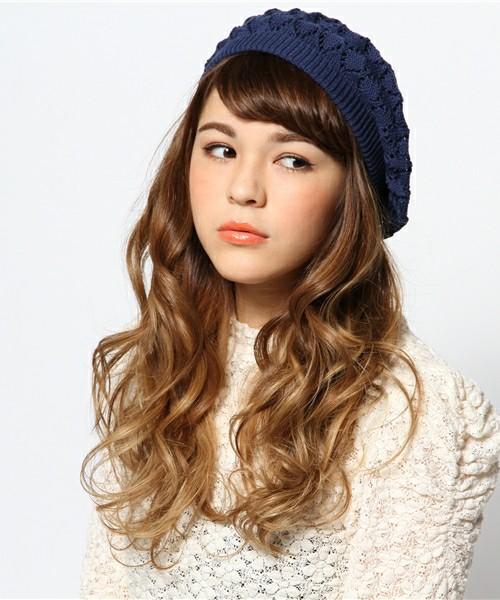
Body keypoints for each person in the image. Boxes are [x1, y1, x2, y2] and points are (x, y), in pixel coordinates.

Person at [79, 7, 500, 599]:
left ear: (352, 193)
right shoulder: (159, 367)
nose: (243, 189)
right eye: (220, 148)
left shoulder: (410, 408)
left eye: (293, 159)